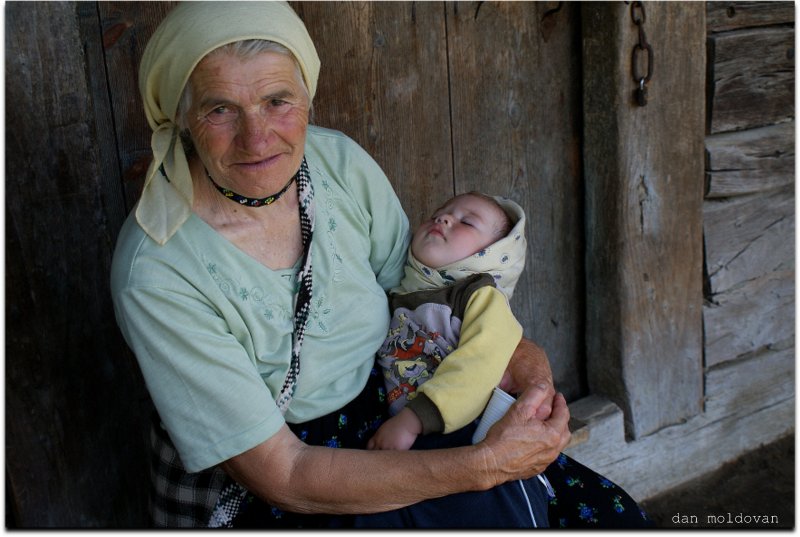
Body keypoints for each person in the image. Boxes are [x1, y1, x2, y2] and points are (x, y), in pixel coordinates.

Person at [109, 1, 647, 529]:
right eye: (220, 108)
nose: (258, 137)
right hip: (292, 474)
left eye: (278, 100)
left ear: (307, 96)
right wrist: (482, 467)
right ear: (181, 119)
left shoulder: (336, 164)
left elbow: (428, 298)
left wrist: (532, 377)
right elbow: (285, 476)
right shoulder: (157, 272)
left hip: (399, 409)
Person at [353, 192, 553, 528]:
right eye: (440, 212)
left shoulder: (481, 297)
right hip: (421, 445)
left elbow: (479, 366)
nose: (443, 219)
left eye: (467, 222)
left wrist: (414, 420)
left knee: (500, 516)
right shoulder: (402, 295)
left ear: (492, 253)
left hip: (480, 434)